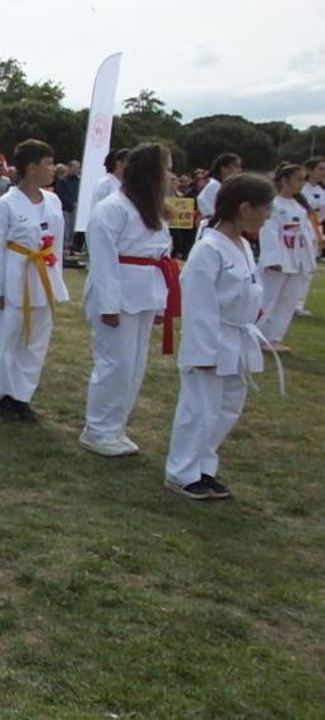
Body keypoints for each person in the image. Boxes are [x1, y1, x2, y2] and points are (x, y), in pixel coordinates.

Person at [164, 174, 276, 500]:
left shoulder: (241, 245)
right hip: (212, 339)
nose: (268, 215)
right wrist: (204, 352)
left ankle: (204, 466)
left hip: (237, 336)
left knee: (228, 407)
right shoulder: (208, 249)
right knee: (200, 408)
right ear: (245, 208)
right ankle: (181, 472)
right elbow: (199, 307)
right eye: (265, 208)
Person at [79, 143, 179, 457]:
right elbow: (104, 262)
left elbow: (161, 254)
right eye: (166, 169)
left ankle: (115, 426)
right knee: (115, 364)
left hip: (144, 292)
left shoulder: (153, 211)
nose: (171, 176)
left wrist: (162, 302)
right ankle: (97, 429)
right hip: (118, 294)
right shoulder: (112, 208)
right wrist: (109, 306)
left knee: (135, 365)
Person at [0, 139, 69, 422]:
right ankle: (3, 397)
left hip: (43, 275)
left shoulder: (53, 201)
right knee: (10, 339)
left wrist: (56, 280)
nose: (53, 169)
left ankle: (23, 396)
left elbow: (56, 245)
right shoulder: (6, 204)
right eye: (48, 163)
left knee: (37, 341)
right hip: (15, 277)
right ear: (32, 168)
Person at [256, 163, 315, 353]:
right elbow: (268, 233)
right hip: (279, 258)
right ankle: (256, 334)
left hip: (296, 257)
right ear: (284, 180)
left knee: (288, 301)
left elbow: (306, 234)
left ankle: (274, 338)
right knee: (267, 298)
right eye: (298, 179)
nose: (301, 183)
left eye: (303, 179)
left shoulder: (299, 206)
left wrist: (309, 258)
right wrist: (273, 259)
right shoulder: (272, 204)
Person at [293, 156, 324, 316]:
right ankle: (291, 302)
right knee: (296, 267)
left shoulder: (321, 191)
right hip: (299, 231)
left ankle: (298, 303)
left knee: (308, 269)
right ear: (310, 170)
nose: (323, 172)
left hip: (314, 231)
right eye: (320, 168)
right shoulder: (301, 189)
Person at [196, 153, 242, 226]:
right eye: (236, 167)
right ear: (223, 169)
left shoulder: (226, 187)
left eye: (240, 167)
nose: (239, 170)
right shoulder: (213, 187)